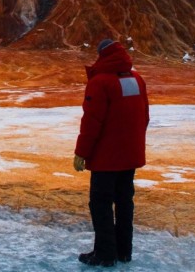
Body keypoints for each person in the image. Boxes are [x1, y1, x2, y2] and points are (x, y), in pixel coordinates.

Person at [73, 39, 149, 267]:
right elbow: (144, 116)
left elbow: (92, 122)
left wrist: (81, 153)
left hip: (106, 159)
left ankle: (105, 254)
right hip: (130, 156)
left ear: (102, 55)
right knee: (125, 202)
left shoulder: (100, 82)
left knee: (101, 204)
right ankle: (124, 251)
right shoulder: (137, 80)